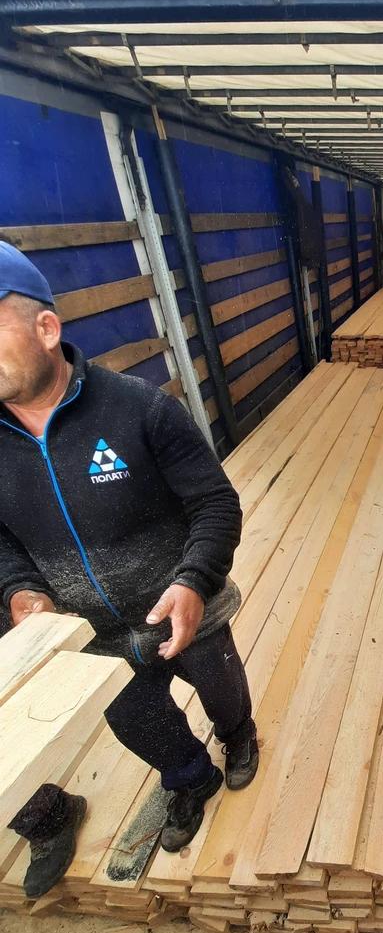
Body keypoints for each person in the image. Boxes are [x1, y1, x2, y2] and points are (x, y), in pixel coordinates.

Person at [0, 242, 258, 898]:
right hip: (95, 639)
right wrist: (21, 591)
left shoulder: (139, 408)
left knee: (223, 690)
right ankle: (190, 778)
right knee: (138, 723)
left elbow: (214, 502)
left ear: (46, 328)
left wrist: (194, 581)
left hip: (185, 610)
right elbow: (1, 543)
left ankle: (238, 737)